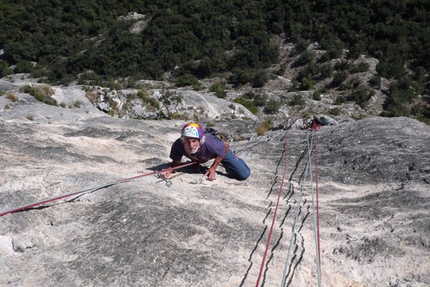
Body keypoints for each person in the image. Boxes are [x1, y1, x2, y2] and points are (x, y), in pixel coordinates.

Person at [162, 122, 251, 181]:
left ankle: (236, 159)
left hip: (219, 151)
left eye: (194, 141)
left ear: (200, 140)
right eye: (187, 141)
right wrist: (171, 169)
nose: (191, 145)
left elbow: (225, 147)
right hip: (201, 156)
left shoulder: (210, 143)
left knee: (243, 174)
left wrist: (213, 167)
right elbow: (176, 163)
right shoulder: (178, 144)